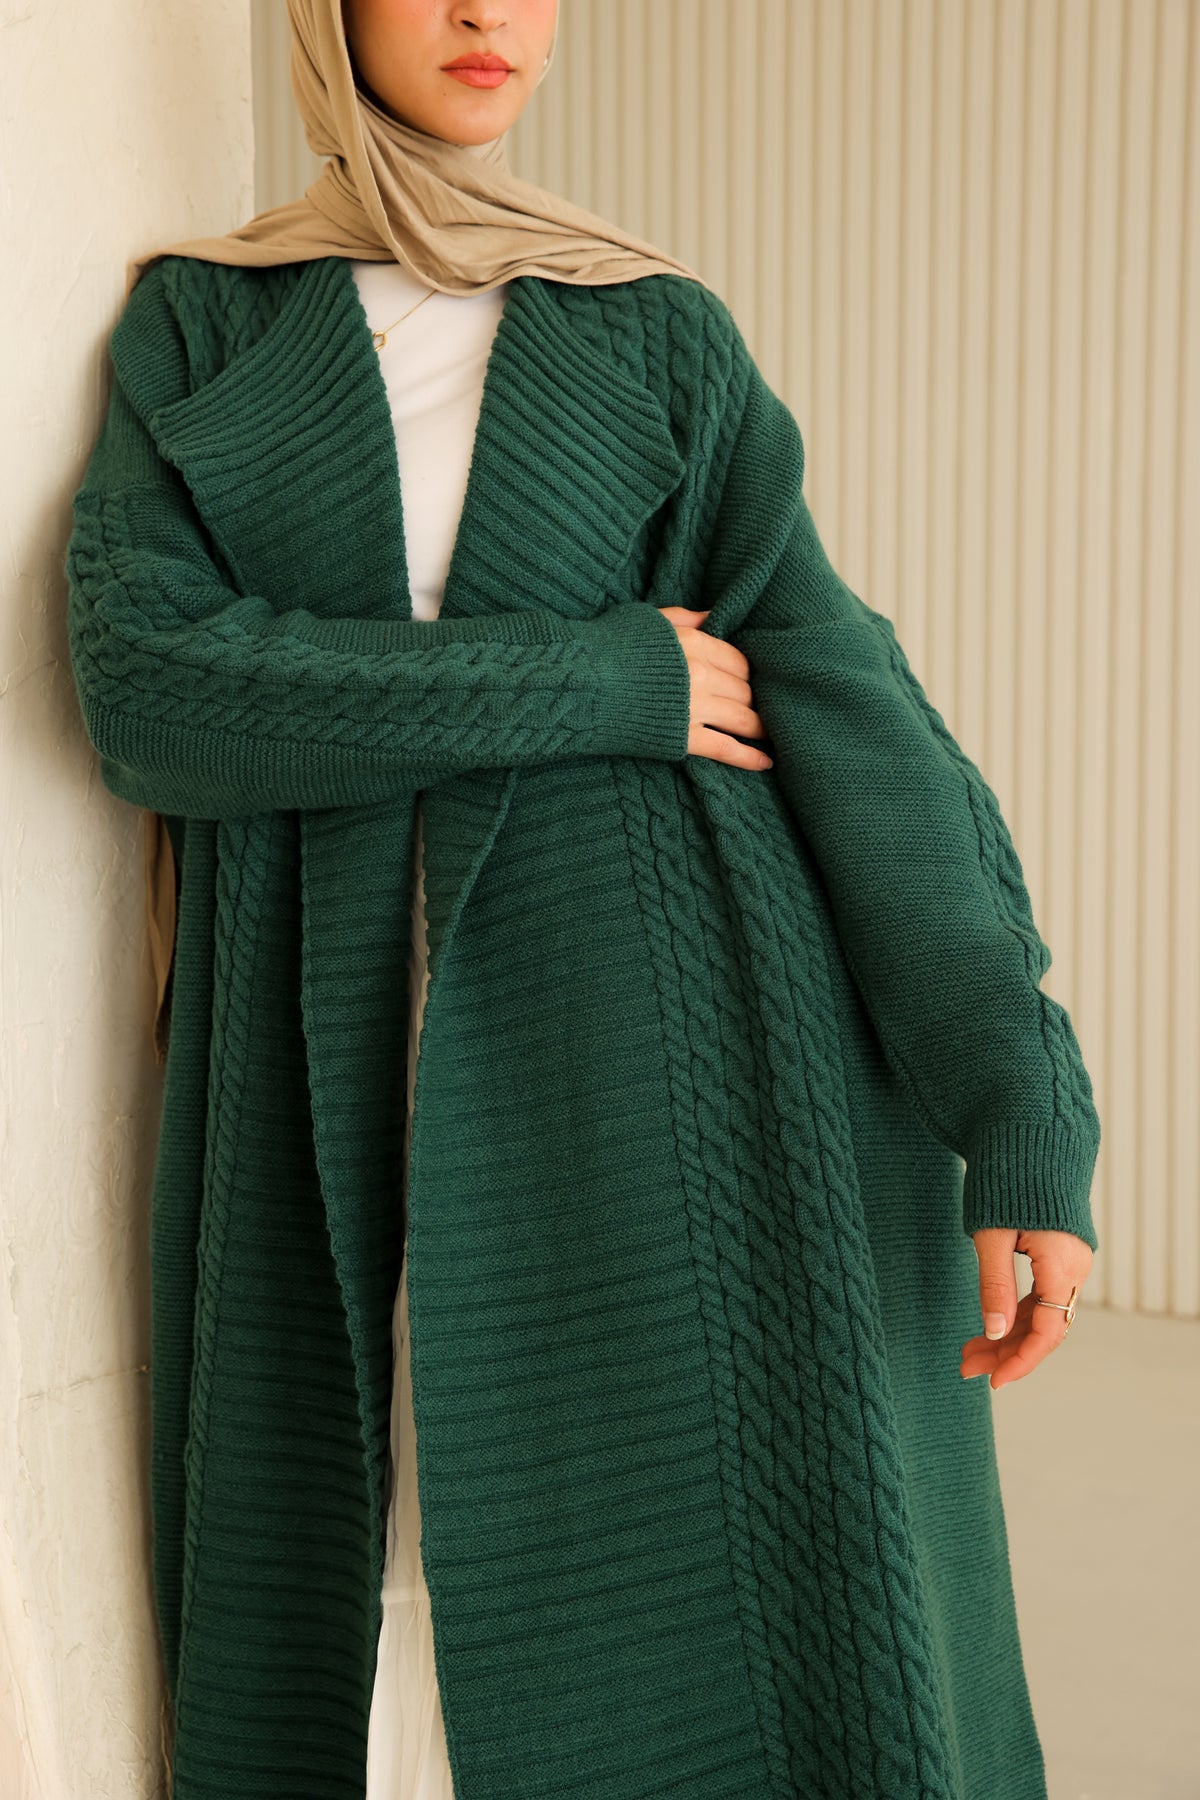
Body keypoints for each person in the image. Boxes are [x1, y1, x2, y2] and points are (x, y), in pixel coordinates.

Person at [63, 2, 1101, 1796]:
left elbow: (851, 715)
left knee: (711, 1641)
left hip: (677, 1079)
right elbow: (155, 699)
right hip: (335, 1079)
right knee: (372, 1628)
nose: (487, 13)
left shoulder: (653, 326)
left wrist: (1020, 1108)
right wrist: (593, 676)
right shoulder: (207, 322)